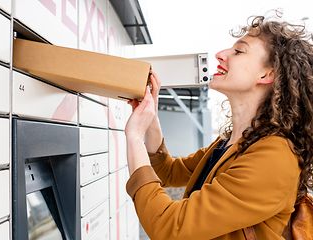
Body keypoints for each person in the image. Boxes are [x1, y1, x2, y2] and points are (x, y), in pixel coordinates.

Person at [124, 13, 313, 240]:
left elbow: (169, 227)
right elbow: (167, 172)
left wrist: (134, 137)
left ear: (267, 74)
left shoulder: (275, 157)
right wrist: (150, 117)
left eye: (238, 51)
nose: (221, 55)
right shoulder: (233, 143)